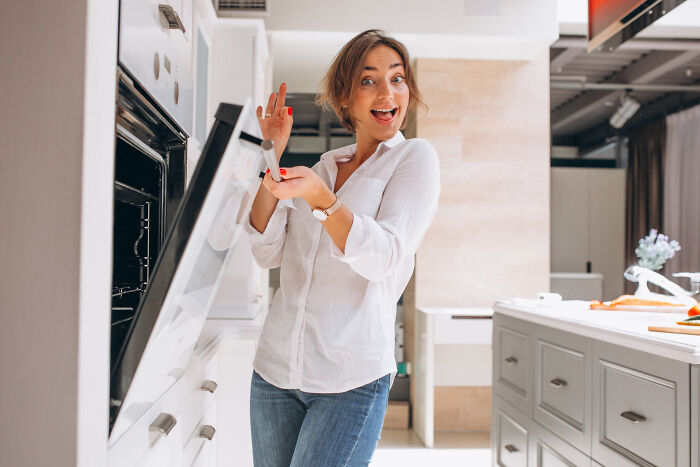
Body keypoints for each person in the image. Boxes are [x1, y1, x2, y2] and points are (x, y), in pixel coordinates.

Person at [245, 29, 441, 467]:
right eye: (368, 80)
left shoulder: (414, 160)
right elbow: (267, 248)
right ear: (345, 97)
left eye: (397, 78)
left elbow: (385, 255)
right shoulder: (323, 167)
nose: (387, 92)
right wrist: (271, 155)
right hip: (274, 372)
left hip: (350, 380)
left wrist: (322, 201)